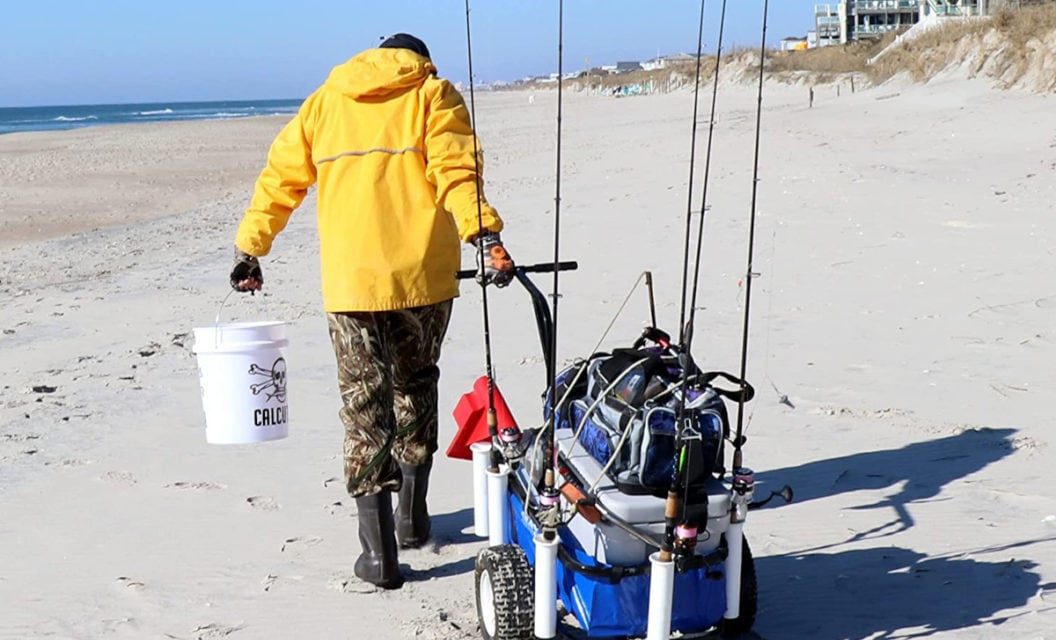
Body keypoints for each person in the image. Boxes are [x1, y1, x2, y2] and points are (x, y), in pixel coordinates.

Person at [229, 33, 514, 590]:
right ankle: (411, 519)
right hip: (423, 280)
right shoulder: (432, 94)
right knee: (416, 383)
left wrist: (250, 248)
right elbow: (458, 171)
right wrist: (484, 234)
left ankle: (379, 555)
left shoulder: (325, 103)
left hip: (352, 284)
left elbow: (280, 179)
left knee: (365, 403)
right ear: (417, 59)